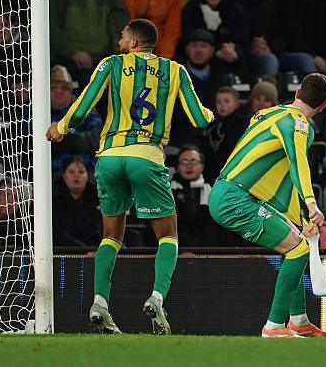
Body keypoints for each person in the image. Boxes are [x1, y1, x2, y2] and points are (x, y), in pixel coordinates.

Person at [46, 19, 214, 335]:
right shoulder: (175, 70)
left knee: (111, 236)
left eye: (123, 36)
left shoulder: (111, 64)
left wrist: (62, 127)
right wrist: (209, 114)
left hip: (109, 158)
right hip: (146, 157)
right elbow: (197, 117)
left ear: (135, 43)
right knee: (168, 237)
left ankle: (99, 303)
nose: (120, 40)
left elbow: (84, 102)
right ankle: (157, 298)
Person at [208, 73, 326, 338]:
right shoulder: (299, 124)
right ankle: (274, 327)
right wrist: (311, 204)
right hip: (237, 198)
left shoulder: (268, 113)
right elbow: (298, 165)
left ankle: (299, 321)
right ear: (322, 107)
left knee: (296, 245)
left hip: (233, 192)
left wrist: (298, 220)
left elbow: (279, 173)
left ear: (298, 92)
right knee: (298, 249)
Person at [50, 0, 129, 87]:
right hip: (69, 59)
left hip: (104, 59)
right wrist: (73, 53)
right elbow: (52, 27)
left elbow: (118, 26)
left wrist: (117, 54)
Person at [181, 0, 249, 76]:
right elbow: (187, 39)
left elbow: (244, 40)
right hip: (199, 58)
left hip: (230, 58)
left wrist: (235, 51)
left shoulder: (236, 10)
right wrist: (215, 52)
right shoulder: (191, 10)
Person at [50, 65, 103, 172]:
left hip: (85, 171)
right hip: (51, 171)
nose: (59, 92)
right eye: (53, 88)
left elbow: (98, 136)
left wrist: (70, 140)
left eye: (64, 88)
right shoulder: (37, 113)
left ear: (71, 91)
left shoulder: (84, 109)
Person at [52, 157, 102, 247]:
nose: (76, 176)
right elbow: (56, 233)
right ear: (64, 175)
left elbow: (99, 230)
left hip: (93, 249)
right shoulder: (54, 199)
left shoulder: (97, 197)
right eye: (71, 172)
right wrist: (82, 249)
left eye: (81, 172)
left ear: (87, 175)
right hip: (64, 250)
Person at [171, 145, 214, 247]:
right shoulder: (167, 193)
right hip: (175, 250)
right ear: (177, 167)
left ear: (202, 166)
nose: (189, 166)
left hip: (206, 251)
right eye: (184, 162)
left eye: (194, 161)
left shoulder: (213, 192)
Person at [205, 86, 250, 181]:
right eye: (218, 102)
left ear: (237, 104)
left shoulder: (243, 125)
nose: (222, 105)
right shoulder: (213, 124)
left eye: (226, 101)